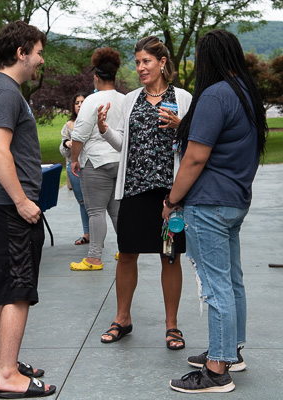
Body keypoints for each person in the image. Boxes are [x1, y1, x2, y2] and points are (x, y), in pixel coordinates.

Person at [164, 29, 268, 393]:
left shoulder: (215, 94)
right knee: (232, 280)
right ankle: (230, 352)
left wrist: (172, 199)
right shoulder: (247, 93)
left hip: (208, 203)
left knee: (215, 286)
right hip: (236, 201)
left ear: (208, 59)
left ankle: (216, 371)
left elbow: (195, 158)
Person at [97, 36, 192, 348]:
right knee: (126, 254)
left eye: (146, 61)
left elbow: (194, 147)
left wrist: (180, 125)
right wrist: (105, 132)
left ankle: (172, 326)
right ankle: (122, 318)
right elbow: (125, 146)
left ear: (162, 63)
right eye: (137, 62)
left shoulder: (184, 99)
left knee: (170, 256)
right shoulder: (130, 100)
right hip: (135, 190)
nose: (140, 68)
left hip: (169, 195)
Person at [0, 20, 56, 399]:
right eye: (38, 52)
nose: (41, 60)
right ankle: (8, 374)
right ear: (21, 53)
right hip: (11, 207)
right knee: (18, 290)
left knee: (1, 288)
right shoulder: (7, 92)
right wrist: (23, 201)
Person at [69, 47, 126, 271]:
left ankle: (93, 258)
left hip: (95, 162)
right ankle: (126, 250)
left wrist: (75, 159)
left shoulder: (91, 101)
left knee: (95, 211)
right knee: (116, 210)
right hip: (120, 161)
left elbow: (79, 135)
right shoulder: (126, 99)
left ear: (95, 76)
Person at [59, 92, 90, 245]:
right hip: (74, 168)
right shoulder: (68, 126)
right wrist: (67, 144)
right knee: (82, 202)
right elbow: (63, 149)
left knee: (95, 204)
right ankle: (87, 234)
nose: (79, 105)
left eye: (83, 102)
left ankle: (98, 235)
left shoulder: (92, 121)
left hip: (91, 166)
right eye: (77, 103)